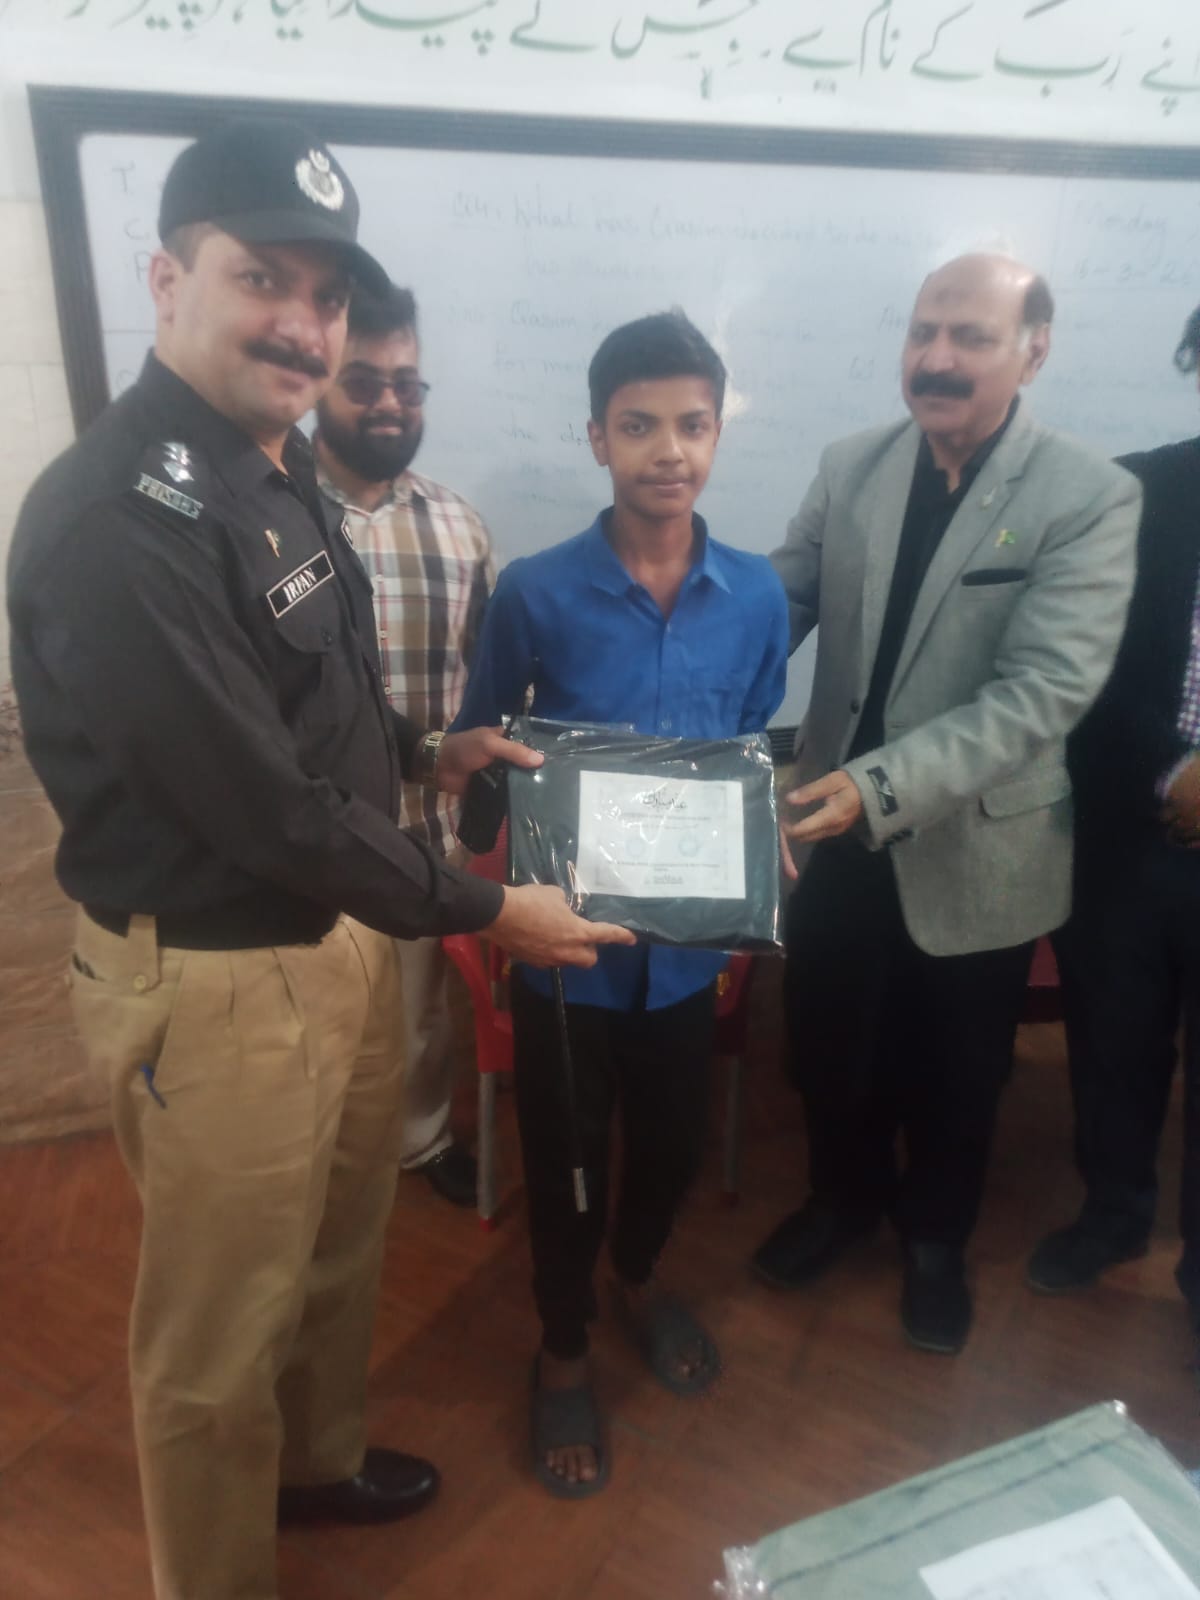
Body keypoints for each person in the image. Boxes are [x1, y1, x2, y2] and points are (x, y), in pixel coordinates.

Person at [6, 119, 632, 1600]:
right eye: (262, 278)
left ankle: (315, 1465)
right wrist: (489, 907)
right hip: (218, 977)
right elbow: (265, 806)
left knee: (341, 1241)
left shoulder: (267, 466)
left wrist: (429, 753)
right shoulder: (119, 518)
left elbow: (310, 706)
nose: (303, 323)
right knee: (214, 1337)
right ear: (168, 280)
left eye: (327, 296)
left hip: (333, 937)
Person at [755, 253, 1140, 1356]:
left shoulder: (1089, 495)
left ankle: (935, 1242)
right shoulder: (852, 465)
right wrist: (666, 658)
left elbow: (1042, 693)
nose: (936, 357)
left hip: (975, 839)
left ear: (1034, 351)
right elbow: (774, 604)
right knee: (829, 1041)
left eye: (971, 336)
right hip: (828, 831)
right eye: (924, 331)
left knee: (958, 1067)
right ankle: (841, 1200)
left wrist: (877, 785)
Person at [453, 311, 789, 1496]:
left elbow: (749, 744)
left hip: (689, 952)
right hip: (565, 951)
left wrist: (756, 840)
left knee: (674, 1144)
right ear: (597, 437)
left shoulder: (757, 594)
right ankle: (561, 1344)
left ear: (717, 435)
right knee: (562, 1157)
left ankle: (637, 1274)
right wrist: (488, 807)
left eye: (693, 424)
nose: (668, 450)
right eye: (639, 425)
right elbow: (480, 740)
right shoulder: (536, 592)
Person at [1027, 306, 1200, 1326]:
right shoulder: (1131, 493)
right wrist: (1176, 775)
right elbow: (1075, 671)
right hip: (1133, 832)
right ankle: (1113, 1213)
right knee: (1114, 1043)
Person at [315, 282, 493, 1208]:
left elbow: (489, 674)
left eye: (408, 385)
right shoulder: (272, 518)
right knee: (311, 1025)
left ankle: (421, 1143)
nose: (389, 402)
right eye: (364, 382)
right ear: (321, 381)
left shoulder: (460, 528)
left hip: (425, 829)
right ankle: (319, 1168)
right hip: (302, 838)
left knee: (419, 1015)